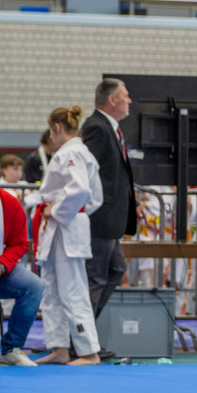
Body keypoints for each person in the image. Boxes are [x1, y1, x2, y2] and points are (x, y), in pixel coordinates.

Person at [34, 106, 103, 366]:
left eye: (51, 132)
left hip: (67, 225)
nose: (50, 137)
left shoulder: (73, 152)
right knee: (51, 289)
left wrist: (58, 210)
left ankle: (89, 352)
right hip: (62, 225)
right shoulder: (76, 152)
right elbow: (95, 198)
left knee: (72, 289)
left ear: (57, 128)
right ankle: (59, 348)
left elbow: (82, 191)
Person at [0, 156, 42, 366]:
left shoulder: (10, 204)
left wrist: (0, 265)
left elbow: (20, 244)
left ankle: (11, 350)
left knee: (34, 286)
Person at [82, 78, 138, 327]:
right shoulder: (97, 127)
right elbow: (87, 171)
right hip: (100, 220)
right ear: (112, 100)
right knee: (96, 278)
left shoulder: (111, 129)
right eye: (125, 96)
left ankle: (87, 333)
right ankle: (81, 341)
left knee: (115, 271)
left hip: (111, 221)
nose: (129, 101)